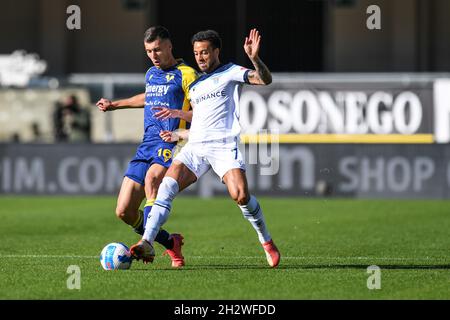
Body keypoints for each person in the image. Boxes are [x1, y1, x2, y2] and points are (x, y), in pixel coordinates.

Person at [130, 28, 281, 268]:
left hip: (222, 146)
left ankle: (266, 241)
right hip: (195, 147)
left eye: (205, 52)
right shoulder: (197, 86)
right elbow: (200, 124)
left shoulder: (230, 72)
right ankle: (147, 241)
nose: (200, 57)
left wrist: (254, 58)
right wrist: (178, 133)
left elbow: (264, 79)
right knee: (165, 186)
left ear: (216, 51)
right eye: (196, 53)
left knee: (240, 195)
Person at [95, 26, 198, 268]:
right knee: (124, 211)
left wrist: (179, 130)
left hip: (173, 142)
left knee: (153, 180)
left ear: (169, 46)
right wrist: (114, 105)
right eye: (149, 51)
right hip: (147, 144)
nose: (153, 55)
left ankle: (146, 243)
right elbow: (147, 97)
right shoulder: (152, 73)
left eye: (158, 50)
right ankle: (170, 242)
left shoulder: (187, 74)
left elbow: (202, 112)